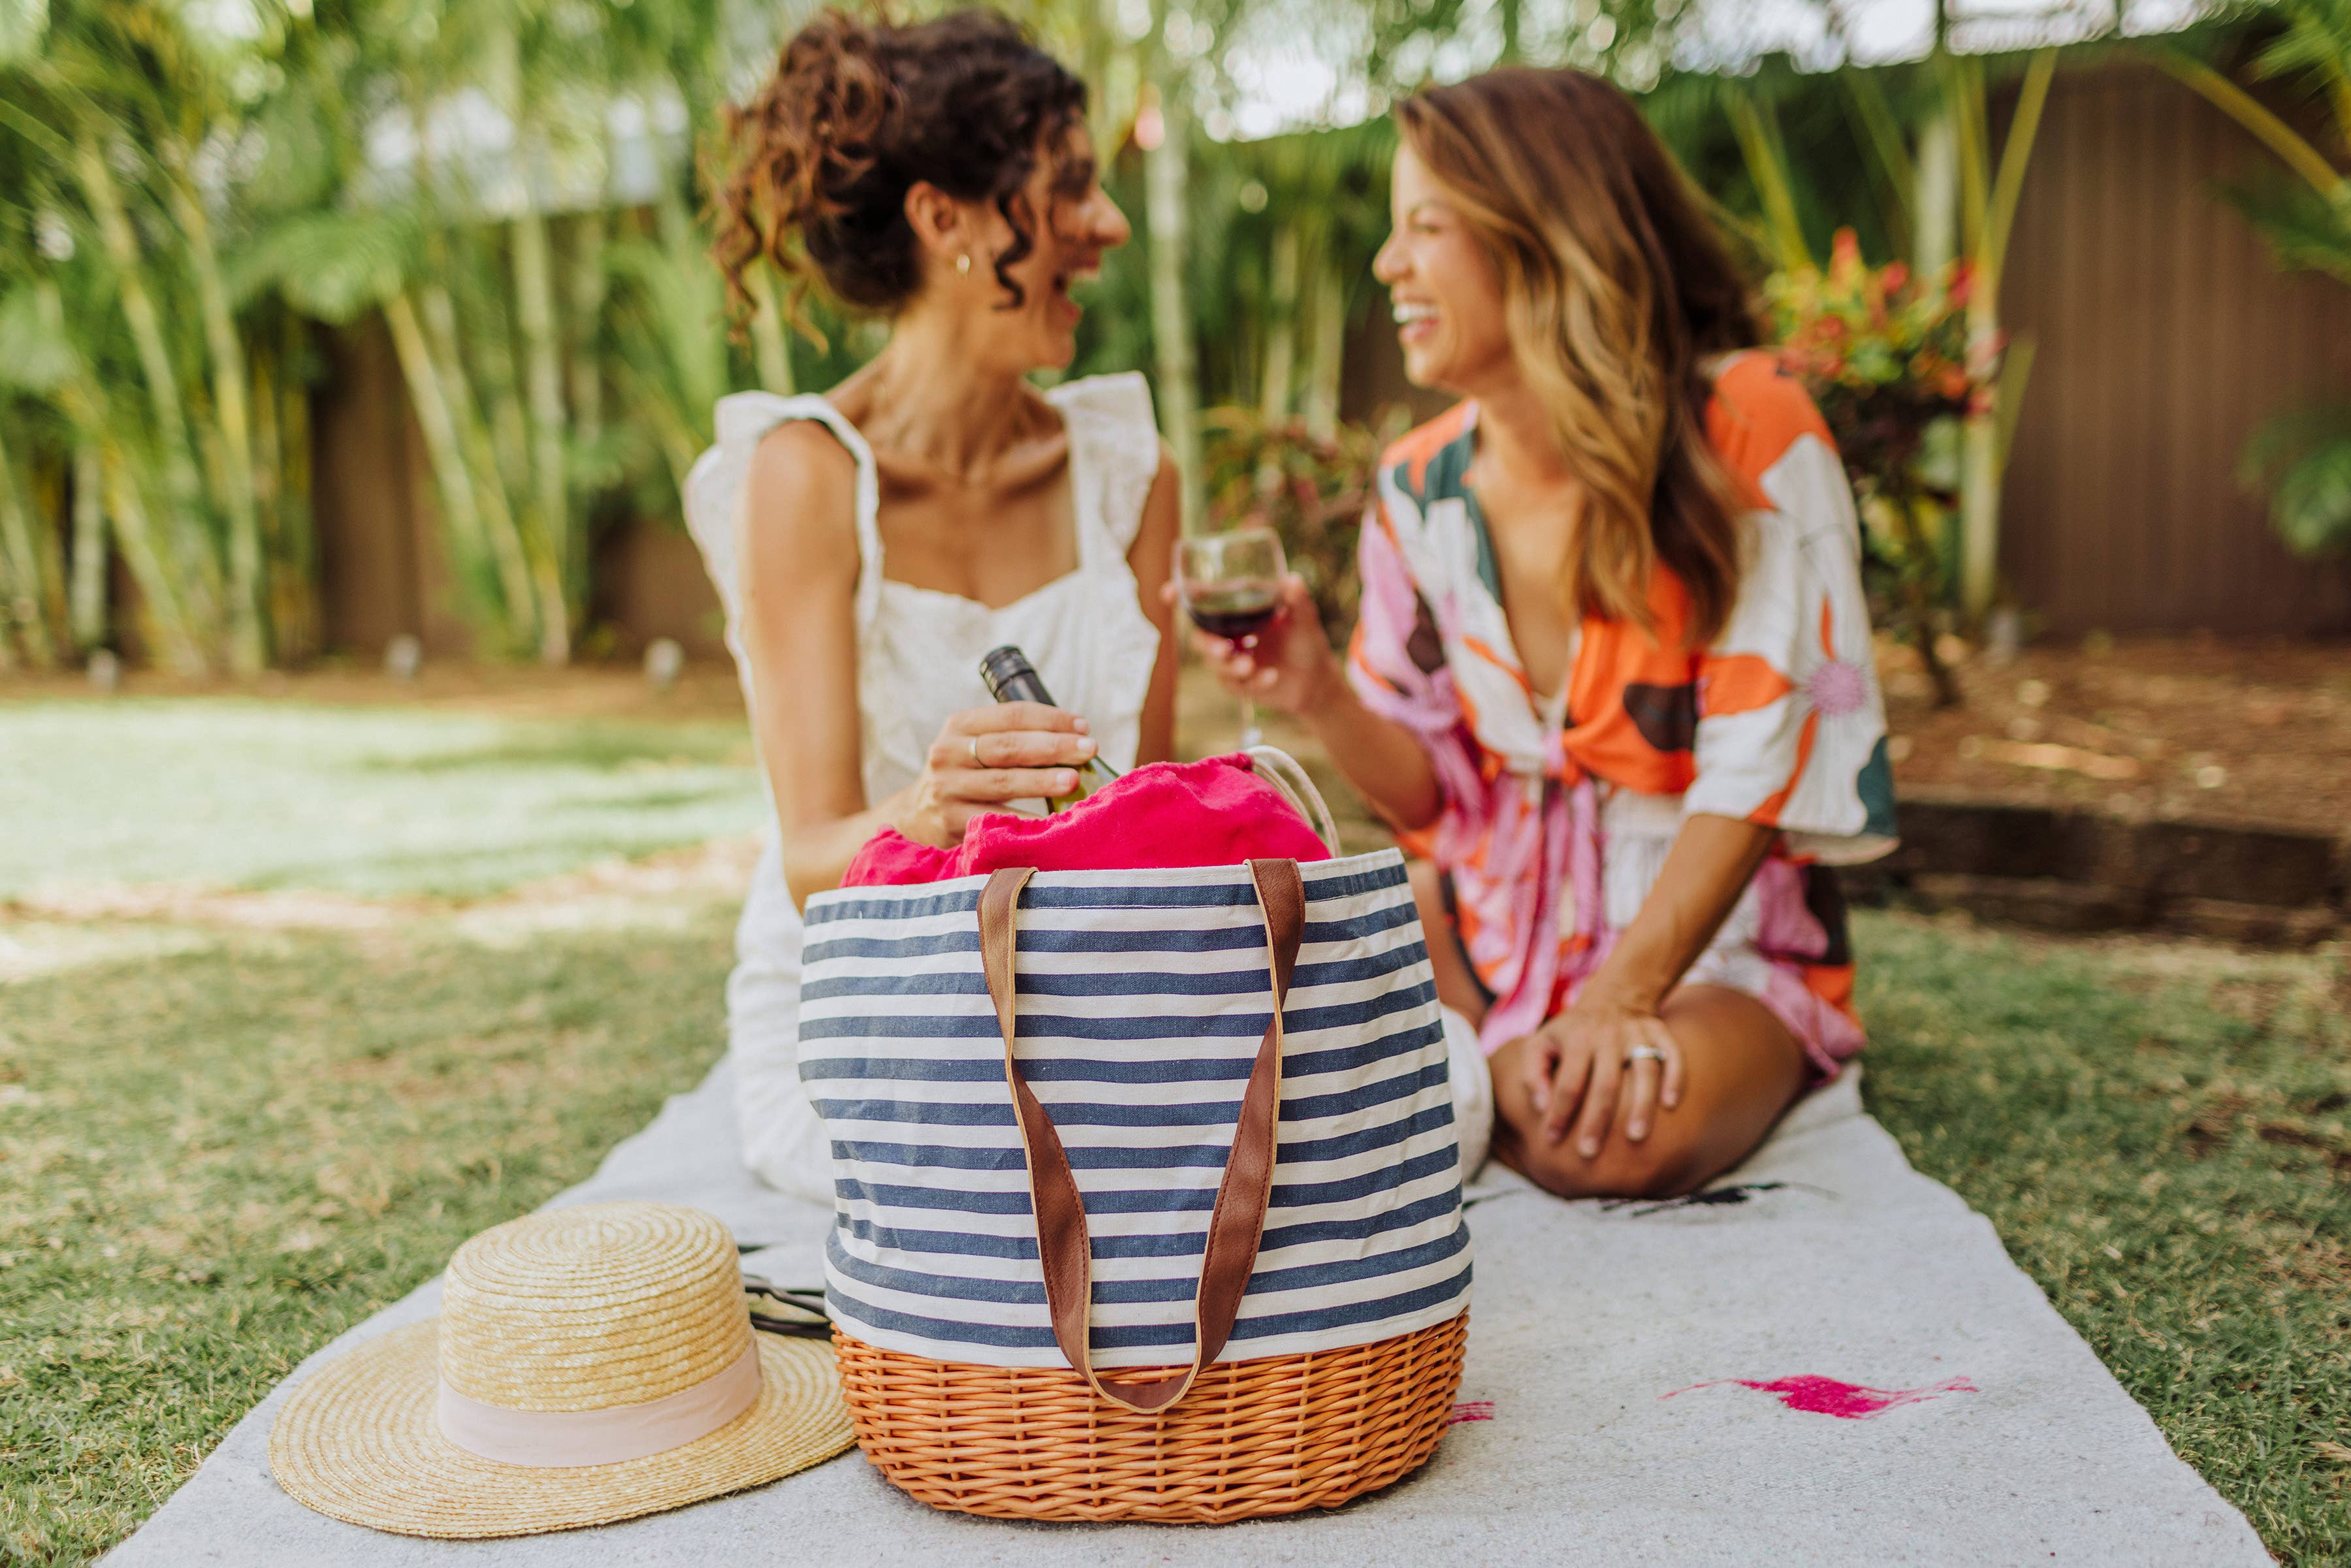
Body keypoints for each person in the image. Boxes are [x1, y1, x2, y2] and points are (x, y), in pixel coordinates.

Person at [1192, 67, 1897, 1200]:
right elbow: (1429, 801)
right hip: (1490, 919)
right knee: (1233, 1014)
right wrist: (1316, 688)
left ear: (1545, 233)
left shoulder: (1749, 432)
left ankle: (1454, 1086)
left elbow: (1759, 770)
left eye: (1427, 226)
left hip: (1705, 947)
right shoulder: (1420, 488)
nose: (1390, 264)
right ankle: (1484, 1076)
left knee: (1606, 1143)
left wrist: (1622, 998)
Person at [686, 9, 1180, 1201]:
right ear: (942, 218)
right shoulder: (807, 475)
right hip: (878, 997)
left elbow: (1146, 831)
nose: (1108, 225)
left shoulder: (1125, 469)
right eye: (1069, 188)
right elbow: (811, 860)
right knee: (1008, 1185)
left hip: (1094, 984)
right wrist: (925, 809)